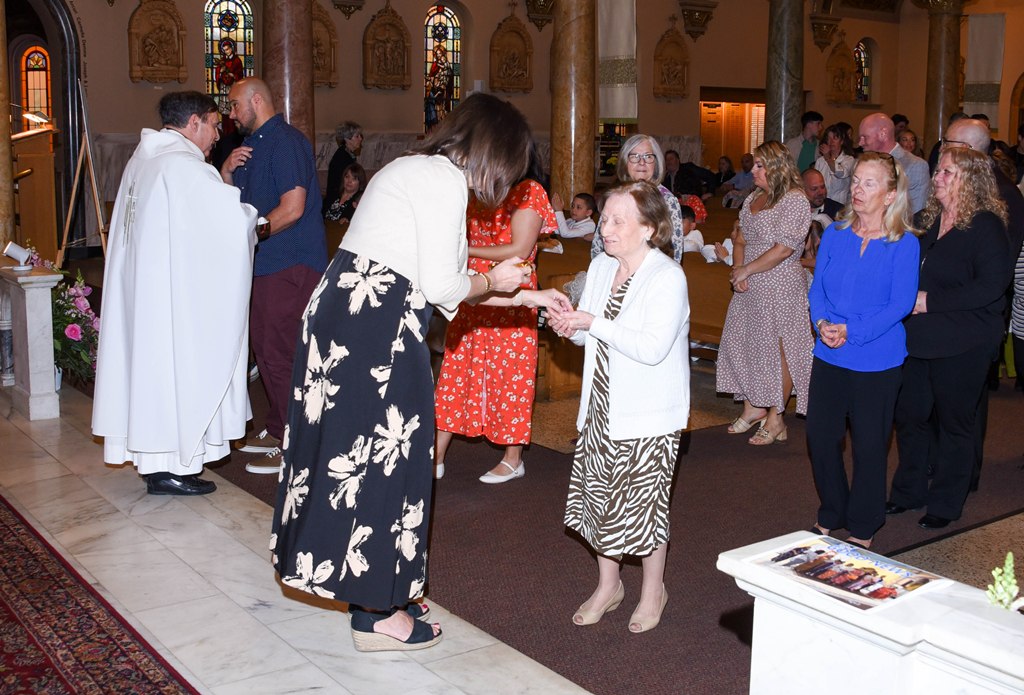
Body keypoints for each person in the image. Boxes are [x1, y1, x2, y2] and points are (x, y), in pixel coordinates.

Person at [270, 93, 570, 652]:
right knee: (389, 462)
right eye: (509, 165)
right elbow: (448, 286)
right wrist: (499, 281)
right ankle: (376, 615)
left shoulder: (420, 170)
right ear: (492, 150)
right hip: (373, 326)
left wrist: (530, 296)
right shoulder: (443, 181)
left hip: (358, 314)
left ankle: (380, 589)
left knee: (364, 458)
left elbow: (448, 286)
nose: (505, 181)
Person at [92, 91, 257, 495]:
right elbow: (226, 223)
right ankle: (169, 467)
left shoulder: (143, 159)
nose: (217, 135)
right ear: (194, 121)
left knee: (154, 375)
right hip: (166, 299)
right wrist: (255, 221)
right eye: (214, 125)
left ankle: (160, 465)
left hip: (145, 292)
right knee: (172, 372)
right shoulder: (184, 167)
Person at [551, 181, 690, 634]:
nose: (605, 229)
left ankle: (654, 591)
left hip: (649, 412)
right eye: (605, 219)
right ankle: (608, 586)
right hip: (601, 405)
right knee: (599, 500)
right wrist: (569, 325)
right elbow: (589, 335)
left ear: (649, 228)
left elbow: (651, 348)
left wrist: (592, 322)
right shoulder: (600, 267)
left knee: (645, 506)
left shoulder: (667, 276)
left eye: (617, 221)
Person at [886, 148, 1011, 530]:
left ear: (970, 180)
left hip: (964, 340)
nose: (936, 178)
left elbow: (992, 286)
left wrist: (930, 301)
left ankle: (946, 501)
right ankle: (908, 492)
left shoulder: (986, 225)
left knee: (955, 424)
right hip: (919, 337)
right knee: (910, 417)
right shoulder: (929, 218)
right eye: (938, 171)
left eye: (946, 172)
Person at [806, 152, 920, 549]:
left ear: (889, 195)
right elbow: (817, 288)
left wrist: (851, 331)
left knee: (870, 446)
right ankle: (832, 509)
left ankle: (864, 522)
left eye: (869, 183)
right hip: (829, 353)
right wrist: (822, 323)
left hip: (876, 359)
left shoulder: (904, 244)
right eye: (856, 180)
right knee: (821, 438)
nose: (857, 188)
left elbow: (900, 304)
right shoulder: (836, 234)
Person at [221, 78, 328, 474]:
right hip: (265, 264)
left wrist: (252, 234)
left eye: (235, 105)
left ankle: (294, 443)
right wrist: (226, 172)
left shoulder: (285, 141)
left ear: (257, 100)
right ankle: (280, 424)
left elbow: (293, 208)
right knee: (267, 351)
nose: (231, 114)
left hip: (290, 262)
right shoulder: (252, 146)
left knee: (281, 351)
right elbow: (236, 208)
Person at [434, 155, 559, 483]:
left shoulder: (528, 190)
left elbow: (520, 248)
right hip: (472, 291)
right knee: (455, 372)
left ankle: (513, 459)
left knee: (510, 377)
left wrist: (466, 250)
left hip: (510, 290)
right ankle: (436, 454)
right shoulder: (478, 189)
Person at [716, 141, 813, 445]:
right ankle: (754, 406)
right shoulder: (753, 198)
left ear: (777, 167)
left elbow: (784, 249)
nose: (753, 170)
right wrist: (738, 269)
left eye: (760, 165)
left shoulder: (794, 200)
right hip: (751, 282)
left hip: (780, 283)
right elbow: (740, 240)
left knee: (779, 350)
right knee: (743, 343)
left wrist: (747, 270)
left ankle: (776, 417)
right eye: (754, 164)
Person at [591, 135, 685, 264]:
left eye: (648, 156)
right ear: (625, 162)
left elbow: (675, 254)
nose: (642, 162)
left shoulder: (668, 201)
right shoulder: (614, 196)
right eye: (634, 156)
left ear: (656, 163)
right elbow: (598, 246)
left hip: (653, 270)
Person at [858, 113, 930, 214]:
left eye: (864, 137)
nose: (860, 143)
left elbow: (916, 214)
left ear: (883, 134)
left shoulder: (915, 166)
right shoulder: (863, 163)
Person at [323, 121, 363, 216]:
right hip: (337, 202)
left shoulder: (346, 154)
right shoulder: (342, 158)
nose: (360, 139)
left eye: (360, 136)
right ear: (347, 139)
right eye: (357, 136)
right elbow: (344, 185)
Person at [814, 124, 856, 205]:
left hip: (840, 204)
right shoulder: (820, 161)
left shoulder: (849, 160)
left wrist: (828, 158)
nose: (831, 142)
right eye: (828, 138)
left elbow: (841, 173)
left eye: (835, 138)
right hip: (822, 203)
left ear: (842, 141)